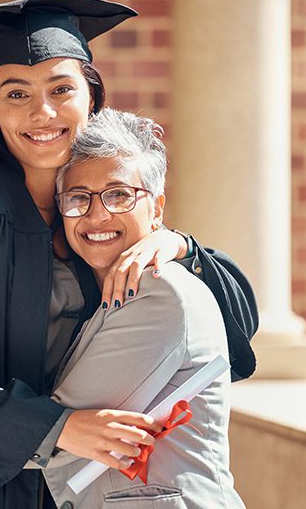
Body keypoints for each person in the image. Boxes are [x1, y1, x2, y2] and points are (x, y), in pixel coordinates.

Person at [0, 0, 257, 508]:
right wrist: (55, 428)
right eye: (16, 92)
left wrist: (178, 245)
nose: (41, 112)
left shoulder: (106, 213)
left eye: (61, 88)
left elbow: (233, 324)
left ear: (91, 96)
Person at [37, 108, 245, 508]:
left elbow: (63, 429)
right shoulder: (89, 294)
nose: (98, 215)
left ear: (156, 209)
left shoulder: (160, 293)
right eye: (79, 198)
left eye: (119, 195)